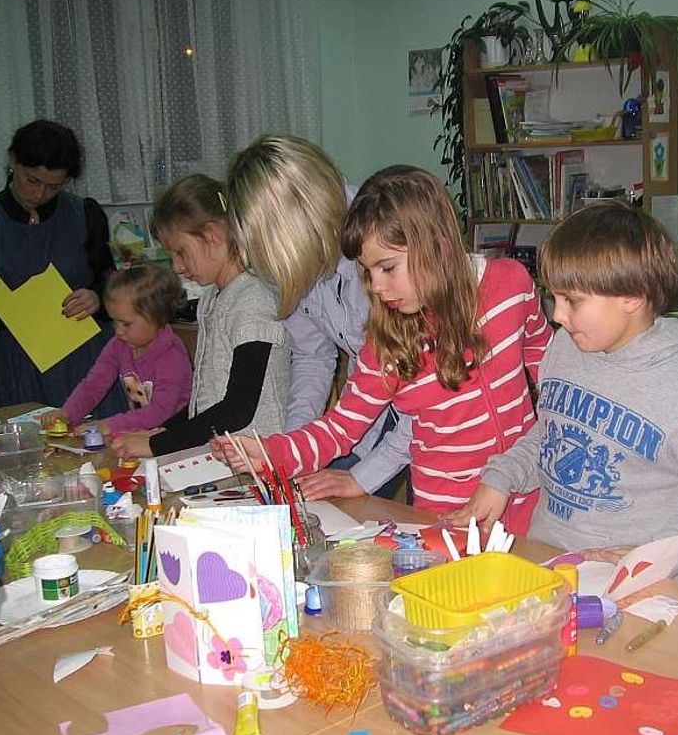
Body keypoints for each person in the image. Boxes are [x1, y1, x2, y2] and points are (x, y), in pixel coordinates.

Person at [448, 202, 678, 584]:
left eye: (572, 300)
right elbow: (552, 432)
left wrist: (656, 552)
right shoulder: (566, 348)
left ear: (632, 295)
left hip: (646, 587)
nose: (557, 315)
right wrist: (502, 476)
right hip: (551, 565)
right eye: (554, 297)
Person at [218, 165, 552, 529]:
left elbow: (553, 378)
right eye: (367, 271)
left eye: (388, 268)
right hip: (444, 516)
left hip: (527, 500)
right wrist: (271, 452)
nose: (375, 286)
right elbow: (340, 428)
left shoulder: (512, 285)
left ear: (436, 243)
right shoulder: (387, 345)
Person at [226, 134, 411, 500]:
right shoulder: (300, 247)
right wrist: (295, 450)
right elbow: (313, 356)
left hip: (425, 412)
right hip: (368, 400)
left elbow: (420, 403)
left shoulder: (384, 254)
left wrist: (362, 477)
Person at [0, 120, 121, 414]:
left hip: (87, 360)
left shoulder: (85, 213)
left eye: (54, 186)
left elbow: (111, 282)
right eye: (32, 180)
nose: (40, 193)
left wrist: (98, 296)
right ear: (13, 161)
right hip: (19, 366)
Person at [110, 174, 288, 458]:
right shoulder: (211, 300)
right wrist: (165, 430)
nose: (177, 268)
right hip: (219, 455)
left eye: (181, 253)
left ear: (212, 235)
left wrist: (157, 445)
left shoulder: (254, 300)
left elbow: (237, 409)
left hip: (254, 462)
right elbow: (205, 404)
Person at [39, 262, 191, 438]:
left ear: (158, 316)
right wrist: (68, 413)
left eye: (126, 323)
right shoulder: (118, 344)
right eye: (114, 321)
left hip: (174, 437)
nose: (118, 331)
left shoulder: (172, 356)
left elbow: (161, 411)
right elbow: (93, 385)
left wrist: (108, 425)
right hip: (140, 435)